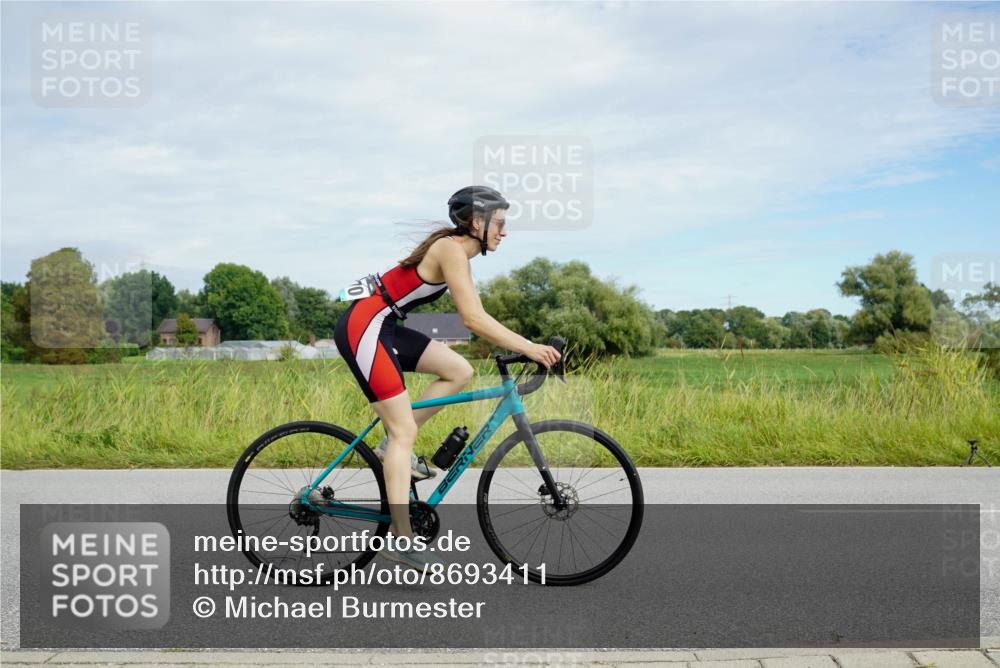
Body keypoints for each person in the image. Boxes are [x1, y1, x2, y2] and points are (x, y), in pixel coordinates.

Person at [333, 185, 562, 571]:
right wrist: (530, 347)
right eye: (499, 223)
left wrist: (526, 346)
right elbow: (472, 320)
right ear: (476, 223)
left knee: (459, 370)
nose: (504, 231)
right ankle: (401, 538)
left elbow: (480, 316)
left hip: (384, 325)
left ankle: (392, 447)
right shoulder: (449, 250)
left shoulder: (458, 255)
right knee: (405, 431)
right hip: (365, 327)